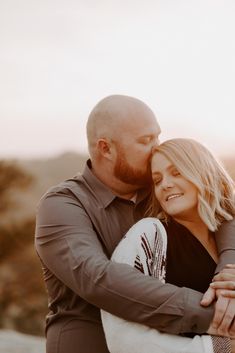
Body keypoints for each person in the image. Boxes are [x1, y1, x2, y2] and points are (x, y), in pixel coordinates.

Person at [35, 95, 235, 353]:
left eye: (157, 137)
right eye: (145, 141)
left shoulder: (160, 190)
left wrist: (227, 272)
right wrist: (217, 316)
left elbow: (222, 208)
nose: (157, 148)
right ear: (106, 148)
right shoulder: (62, 205)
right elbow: (98, 279)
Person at [101, 137, 235, 353]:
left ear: (204, 172)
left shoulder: (228, 238)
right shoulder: (150, 235)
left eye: (176, 172)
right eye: (157, 179)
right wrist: (220, 347)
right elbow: (123, 337)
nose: (166, 185)